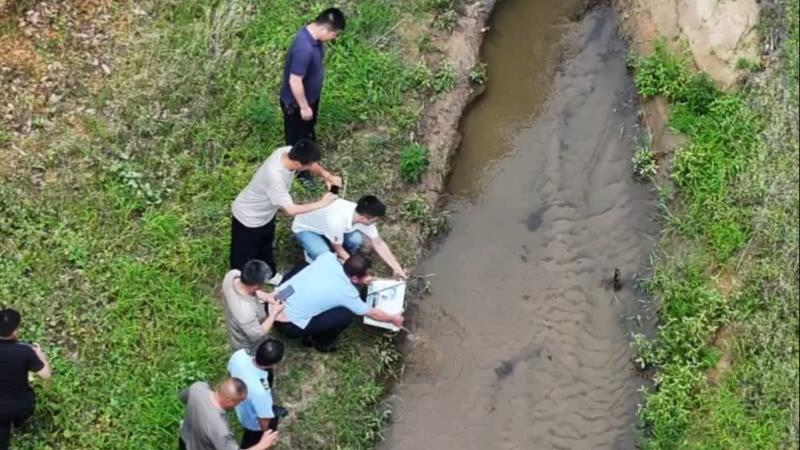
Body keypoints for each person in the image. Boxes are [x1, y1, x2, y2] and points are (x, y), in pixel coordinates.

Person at [230, 139, 341, 281]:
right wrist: (322, 203)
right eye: (309, 165)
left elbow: (310, 163)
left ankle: (270, 274)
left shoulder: (287, 151)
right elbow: (291, 210)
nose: (313, 167)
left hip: (266, 214)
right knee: (244, 255)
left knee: (265, 244)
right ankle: (239, 283)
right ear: (297, 164)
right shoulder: (276, 177)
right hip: (248, 217)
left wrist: (327, 175)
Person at [270, 253, 404, 352]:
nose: (370, 277)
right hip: (287, 323)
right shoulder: (347, 293)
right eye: (368, 275)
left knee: (304, 266)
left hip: (274, 300)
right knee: (345, 315)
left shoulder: (328, 257)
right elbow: (373, 313)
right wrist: (393, 318)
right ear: (355, 278)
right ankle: (320, 342)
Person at [279, 7, 346, 186]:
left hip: (310, 99)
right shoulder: (304, 49)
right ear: (324, 29)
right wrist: (304, 106)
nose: (334, 38)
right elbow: (295, 81)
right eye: (334, 34)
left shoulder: (315, 39)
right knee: (296, 139)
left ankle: (310, 150)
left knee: (307, 129)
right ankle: (301, 171)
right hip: (297, 105)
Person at [292, 195, 408, 279]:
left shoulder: (359, 214)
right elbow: (338, 248)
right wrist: (360, 271)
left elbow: (378, 243)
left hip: (330, 229)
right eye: (375, 220)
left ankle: (344, 255)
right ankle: (312, 253)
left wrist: (396, 268)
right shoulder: (337, 221)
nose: (375, 223)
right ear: (366, 218)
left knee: (356, 240)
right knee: (324, 255)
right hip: (307, 229)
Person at [0, 308, 52, 450]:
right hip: (21, 405)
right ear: (15, 331)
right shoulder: (25, 351)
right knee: (20, 411)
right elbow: (46, 374)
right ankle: (18, 424)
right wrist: (39, 354)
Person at [178, 378, 277, 450]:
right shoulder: (220, 429)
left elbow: (183, 398)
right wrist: (262, 445)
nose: (240, 404)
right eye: (240, 401)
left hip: (184, 439)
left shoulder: (198, 387)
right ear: (229, 401)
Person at [227, 339, 286, 448]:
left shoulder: (238, 355)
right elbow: (263, 418)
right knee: (251, 439)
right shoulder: (261, 392)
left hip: (240, 403)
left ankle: (272, 409)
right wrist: (266, 433)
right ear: (274, 363)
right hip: (252, 422)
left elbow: (229, 372)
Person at [222, 260, 285, 352]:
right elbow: (258, 334)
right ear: (256, 286)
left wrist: (266, 297)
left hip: (240, 324)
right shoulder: (245, 313)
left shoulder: (232, 275)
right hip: (247, 344)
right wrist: (274, 314)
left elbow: (249, 289)